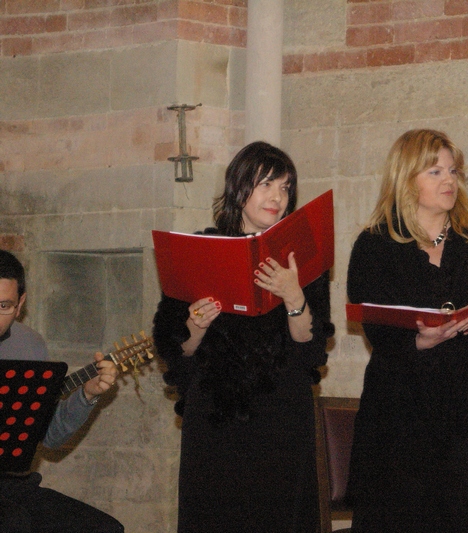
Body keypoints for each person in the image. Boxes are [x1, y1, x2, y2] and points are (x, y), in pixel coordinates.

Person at [345, 129, 468, 533]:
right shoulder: (374, 245)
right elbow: (375, 325)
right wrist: (417, 340)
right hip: (404, 415)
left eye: (453, 171)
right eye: (434, 171)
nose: (448, 180)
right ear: (406, 177)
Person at [152, 141, 334, 533]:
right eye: (266, 184)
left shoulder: (303, 257)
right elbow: (173, 348)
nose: (277, 196)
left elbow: (313, 348)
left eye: (285, 187)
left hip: (281, 419)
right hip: (216, 422)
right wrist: (197, 325)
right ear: (239, 188)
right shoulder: (200, 249)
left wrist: (294, 295)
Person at [0, 249, 123, 533]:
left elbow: (50, 437)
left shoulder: (29, 345)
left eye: (4, 306)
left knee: (103, 528)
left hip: (10, 484)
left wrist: (86, 395)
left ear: (20, 304)